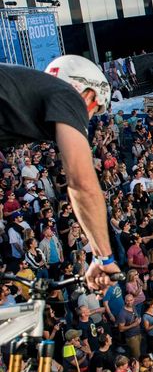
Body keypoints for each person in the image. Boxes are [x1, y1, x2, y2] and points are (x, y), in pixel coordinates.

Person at [0, 56, 120, 290]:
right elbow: (82, 184)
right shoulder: (67, 95)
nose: (87, 120)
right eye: (94, 111)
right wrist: (103, 257)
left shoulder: (26, 94)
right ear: (86, 93)